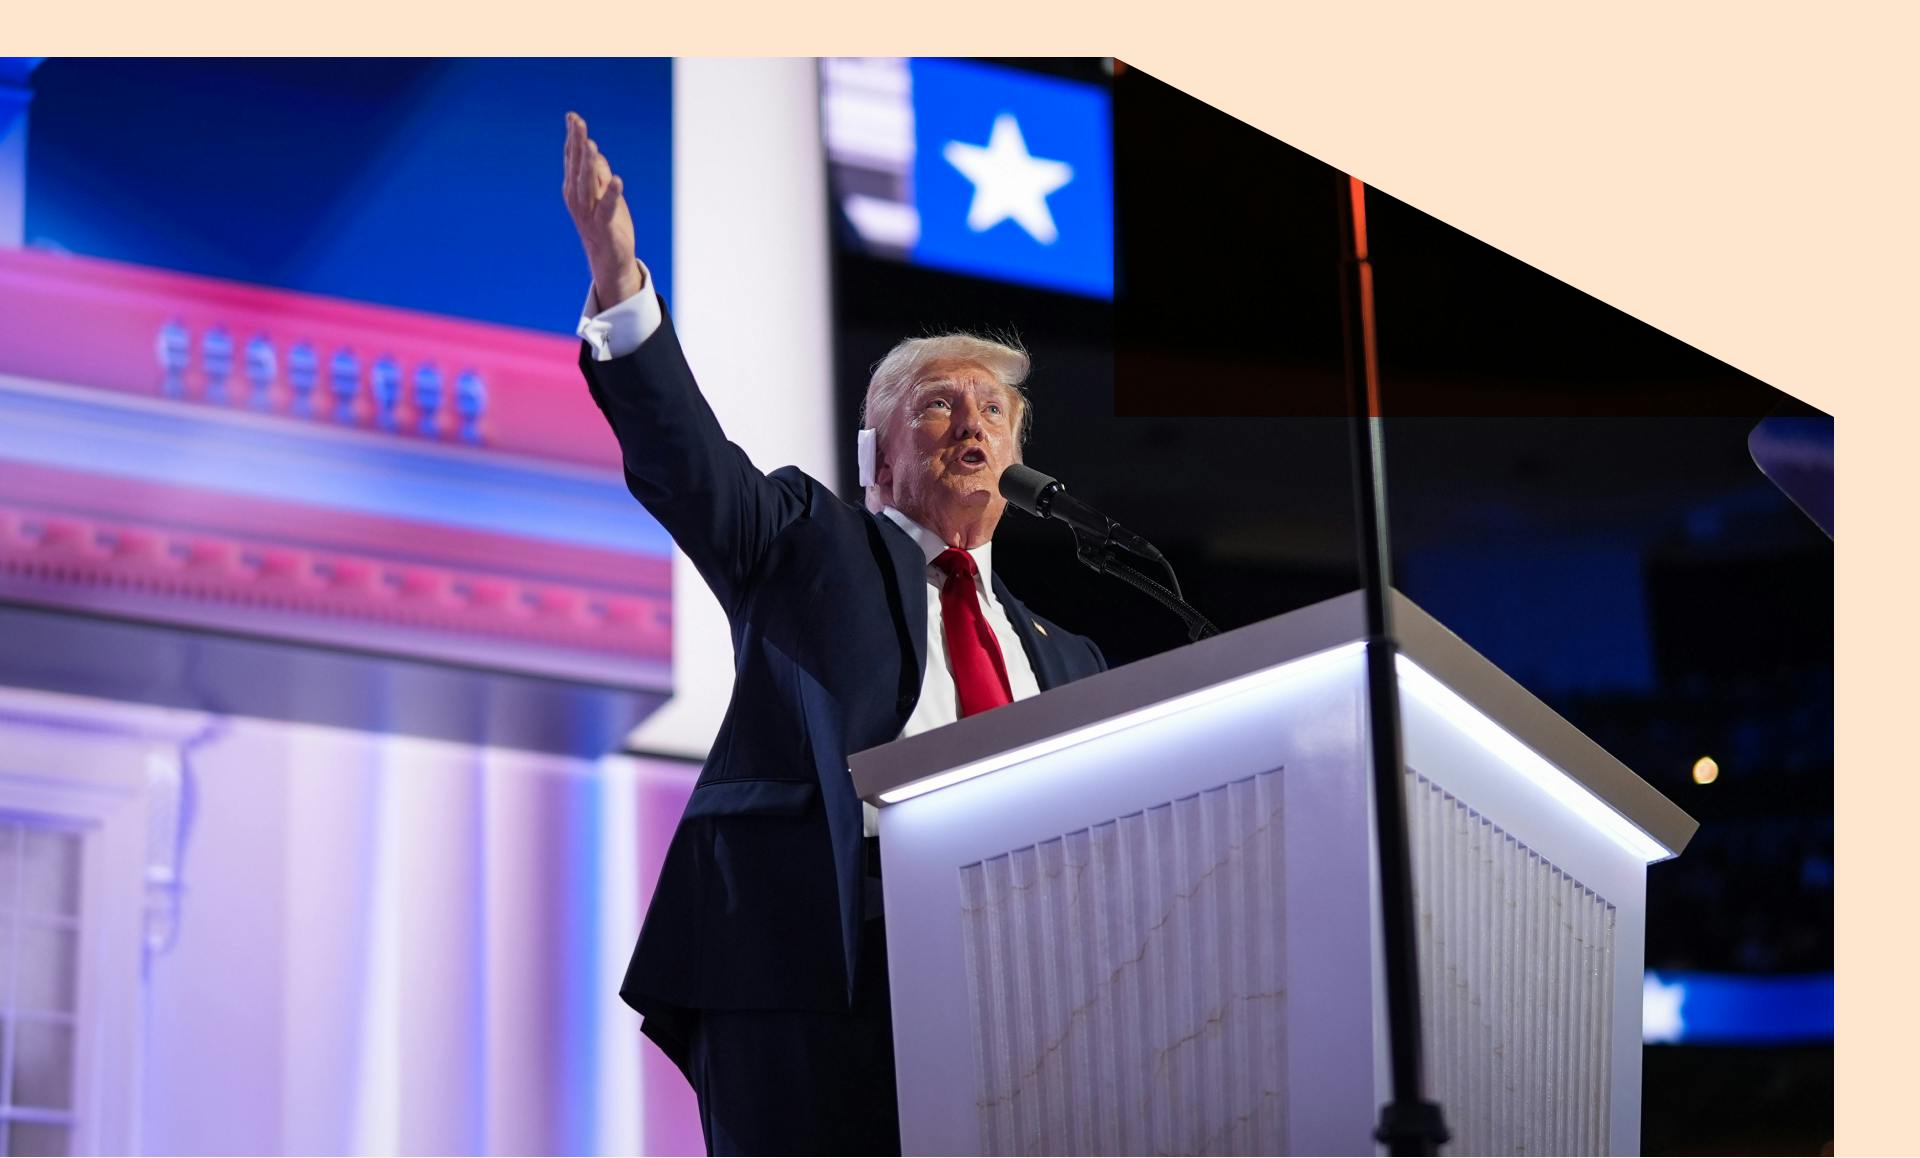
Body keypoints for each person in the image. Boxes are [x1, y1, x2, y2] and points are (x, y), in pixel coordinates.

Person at [562, 111, 1107, 1156]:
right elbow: (689, 462)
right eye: (939, 406)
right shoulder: (811, 538)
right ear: (879, 456)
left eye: (992, 410)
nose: (973, 424)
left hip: (1022, 979)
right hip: (819, 948)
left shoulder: (1068, 655)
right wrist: (622, 284)